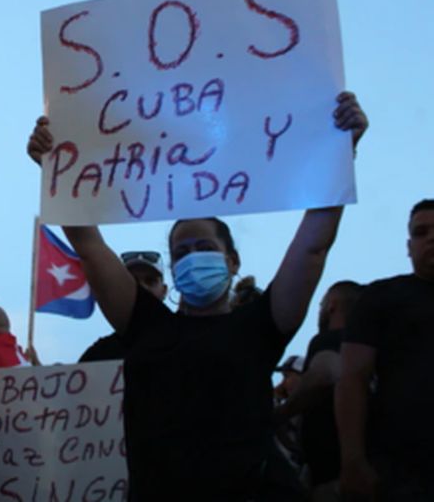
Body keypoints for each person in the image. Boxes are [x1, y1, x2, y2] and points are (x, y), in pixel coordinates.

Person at [27, 91, 368, 501]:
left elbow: (314, 246)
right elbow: (87, 241)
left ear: (233, 260)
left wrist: (341, 151)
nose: (193, 259)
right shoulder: (144, 322)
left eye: (204, 248)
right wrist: (56, 167)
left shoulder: (262, 322)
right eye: (181, 253)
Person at [337, 199, 434, 500]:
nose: (431, 237)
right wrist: (353, 459)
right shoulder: (382, 297)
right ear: (408, 246)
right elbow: (352, 377)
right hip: (402, 468)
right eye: (421, 232)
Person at [276, 281, 363, 501]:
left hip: (336, 481)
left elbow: (323, 376)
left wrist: (280, 415)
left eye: (322, 304)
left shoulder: (330, 340)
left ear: (331, 306)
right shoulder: (375, 352)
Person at [79, 250, 167, 363]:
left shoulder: (188, 340)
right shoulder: (99, 355)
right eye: (132, 281)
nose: (143, 287)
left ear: (164, 290)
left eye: (150, 281)